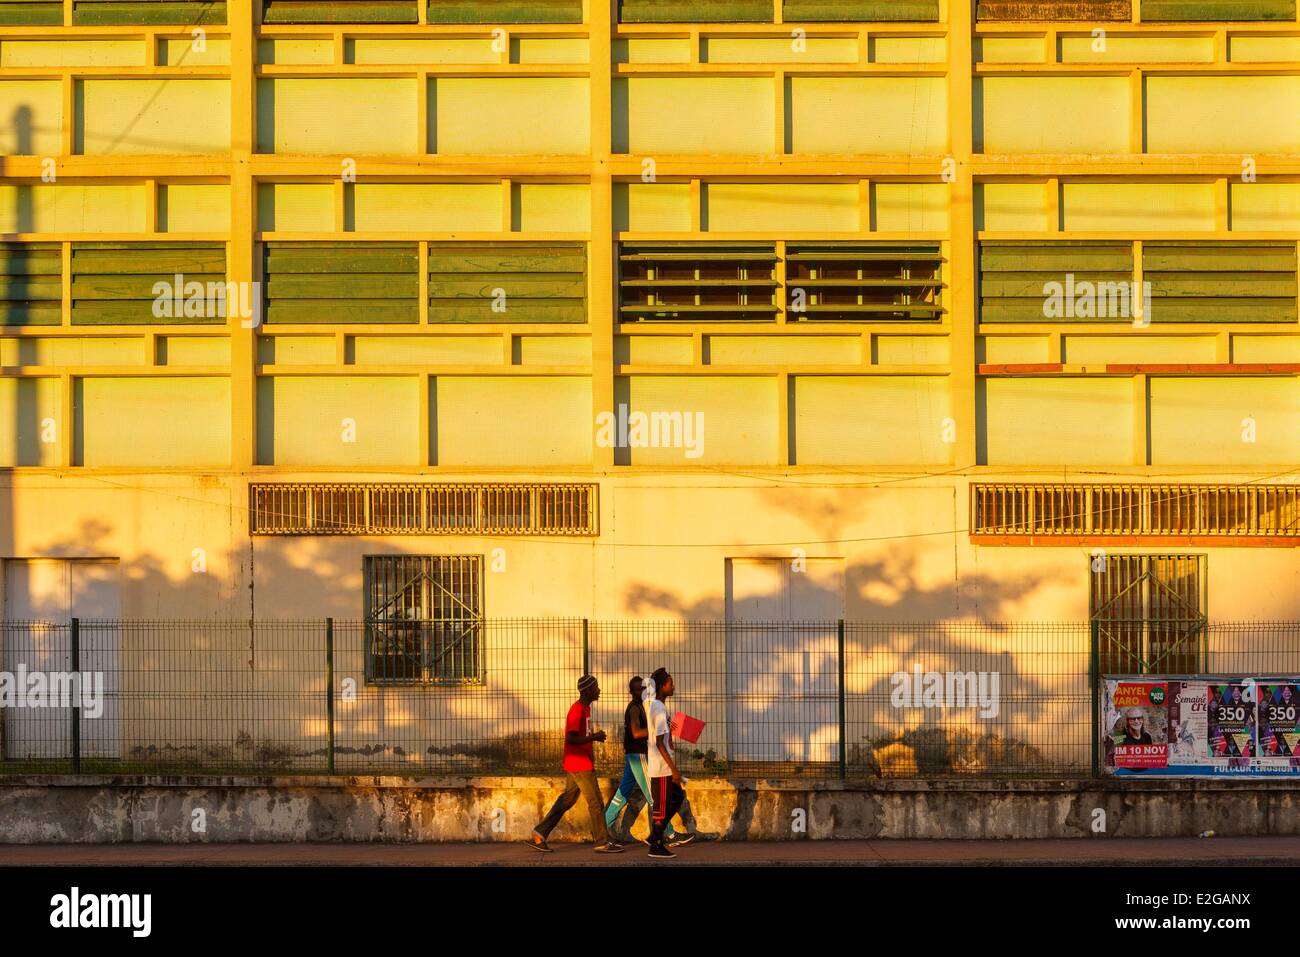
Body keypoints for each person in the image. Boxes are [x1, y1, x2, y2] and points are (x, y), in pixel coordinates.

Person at [528, 674, 623, 853]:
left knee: (567, 800)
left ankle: (539, 833)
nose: (599, 690)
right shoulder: (577, 709)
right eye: (596, 687)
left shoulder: (585, 709)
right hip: (579, 764)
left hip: (579, 762)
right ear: (587, 691)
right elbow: (571, 738)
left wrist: (591, 743)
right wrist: (594, 737)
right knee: (595, 802)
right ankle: (602, 842)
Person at [603, 676, 653, 843]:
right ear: (631, 692)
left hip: (632, 755)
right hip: (638, 755)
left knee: (623, 792)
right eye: (638, 689)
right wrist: (655, 729)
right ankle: (667, 833)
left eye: (643, 688)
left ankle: (603, 827)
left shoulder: (641, 706)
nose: (642, 691)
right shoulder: (634, 709)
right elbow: (637, 733)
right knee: (653, 793)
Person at [644, 667, 685, 859]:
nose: (673, 685)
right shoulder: (658, 707)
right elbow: (658, 742)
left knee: (677, 797)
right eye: (670, 682)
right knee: (661, 808)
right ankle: (656, 845)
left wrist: (671, 741)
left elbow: (663, 739)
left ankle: (655, 836)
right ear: (662, 687)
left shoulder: (659, 706)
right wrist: (674, 769)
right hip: (661, 767)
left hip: (664, 765)